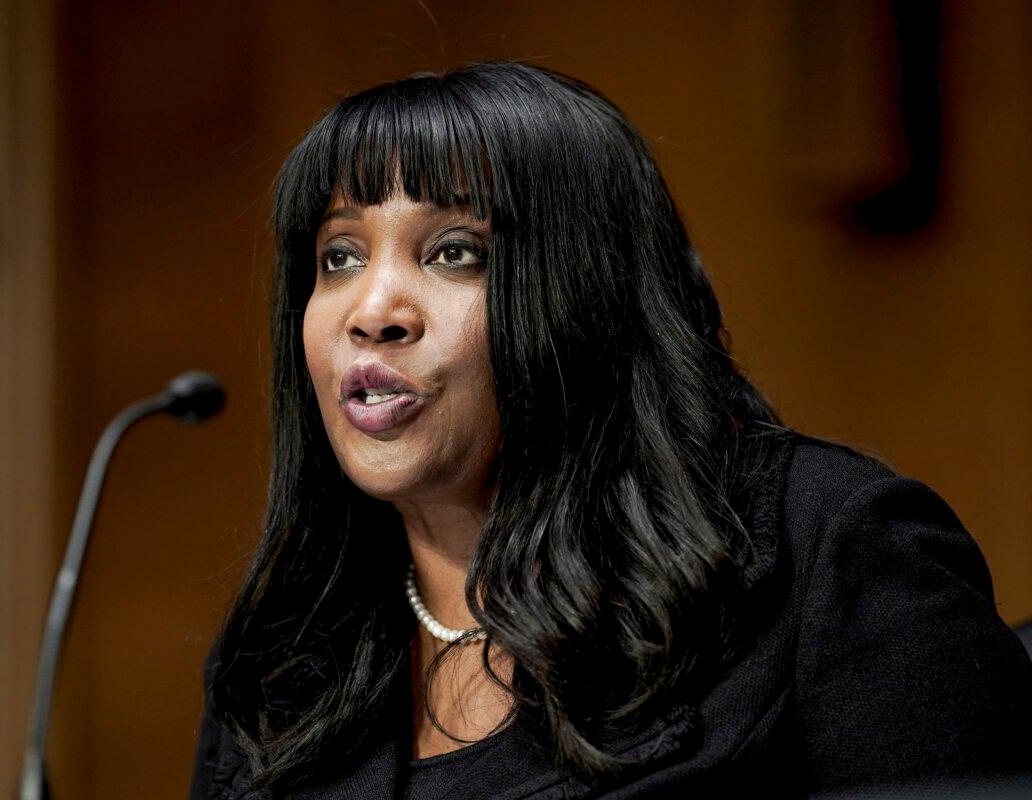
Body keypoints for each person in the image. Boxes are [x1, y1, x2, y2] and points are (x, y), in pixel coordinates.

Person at [188, 61, 1032, 799]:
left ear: (589, 294)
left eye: (454, 251)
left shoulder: (823, 554)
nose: (372, 312)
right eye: (339, 255)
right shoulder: (282, 660)